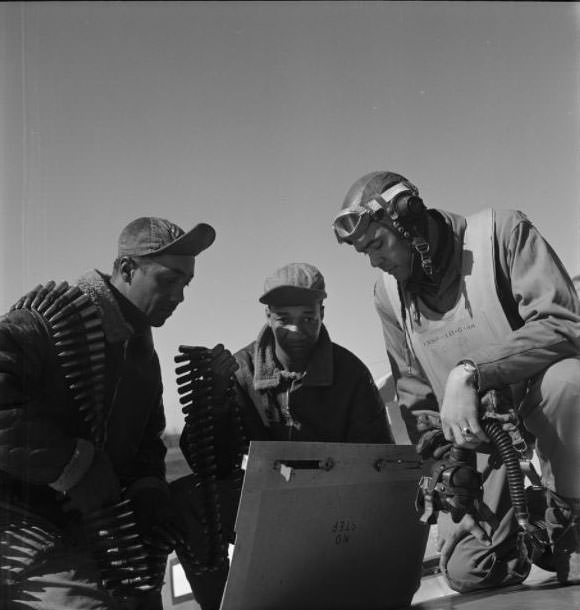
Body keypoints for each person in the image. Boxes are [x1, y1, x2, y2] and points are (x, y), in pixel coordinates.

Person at [332, 170, 580, 592]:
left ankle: (572, 521)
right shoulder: (387, 295)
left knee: (569, 382)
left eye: (377, 244)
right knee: (470, 571)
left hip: (542, 407)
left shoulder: (501, 233)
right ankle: (531, 513)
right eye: (365, 253)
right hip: (480, 437)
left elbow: (562, 323)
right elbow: (416, 396)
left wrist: (471, 372)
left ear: (407, 219)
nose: (375, 261)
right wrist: (445, 464)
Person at [0, 216, 216, 609]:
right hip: (28, 529)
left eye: (186, 283)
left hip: (98, 527)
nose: (180, 296)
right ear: (127, 269)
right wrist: (71, 465)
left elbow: (148, 440)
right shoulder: (46, 323)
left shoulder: (141, 354)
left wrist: (148, 491)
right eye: (169, 280)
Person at [170, 262, 394, 610]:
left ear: (323, 312)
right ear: (268, 315)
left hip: (335, 505)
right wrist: (212, 401)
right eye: (283, 317)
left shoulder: (350, 373)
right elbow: (209, 462)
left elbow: (381, 463)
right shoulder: (240, 371)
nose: (297, 329)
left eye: (308, 317)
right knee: (189, 498)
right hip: (267, 506)